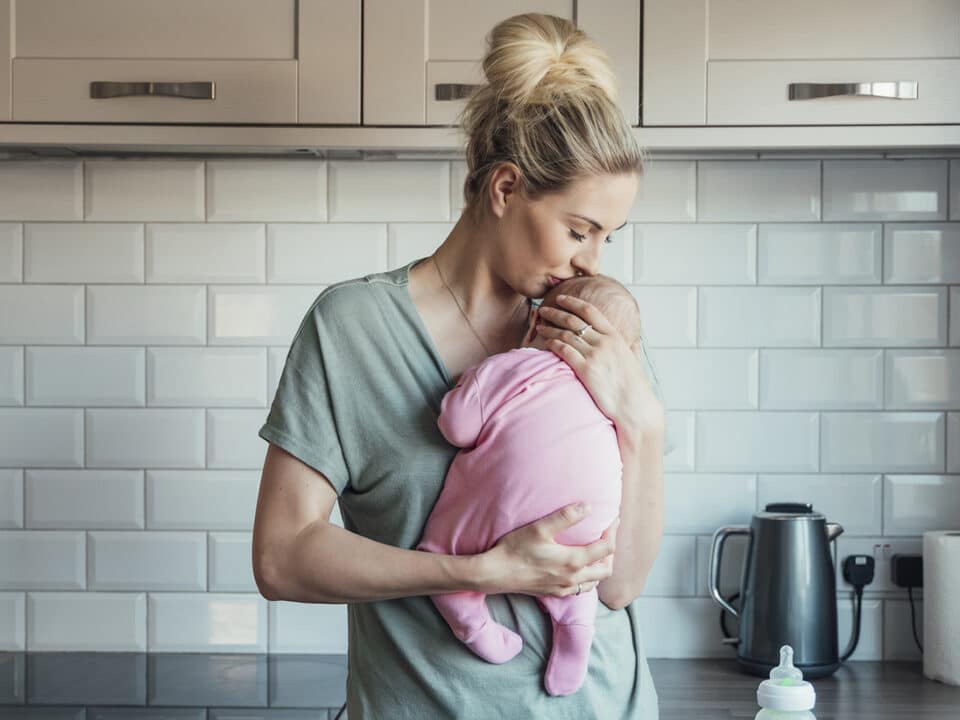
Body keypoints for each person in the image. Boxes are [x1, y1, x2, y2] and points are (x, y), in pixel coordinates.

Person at [253, 12, 666, 718]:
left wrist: (644, 423)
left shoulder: (591, 325)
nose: (591, 262)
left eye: (607, 238)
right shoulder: (353, 328)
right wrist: (477, 572)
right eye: (578, 230)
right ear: (505, 189)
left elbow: (621, 586)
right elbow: (282, 557)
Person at [416, 274, 652, 698]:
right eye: (580, 231)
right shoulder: (615, 394)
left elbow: (457, 427)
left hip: (500, 521)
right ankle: (575, 624)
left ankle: (472, 622)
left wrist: (466, 385)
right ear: (629, 353)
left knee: (441, 551)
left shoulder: (515, 364)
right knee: (579, 571)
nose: (590, 257)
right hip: (587, 525)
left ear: (534, 324)